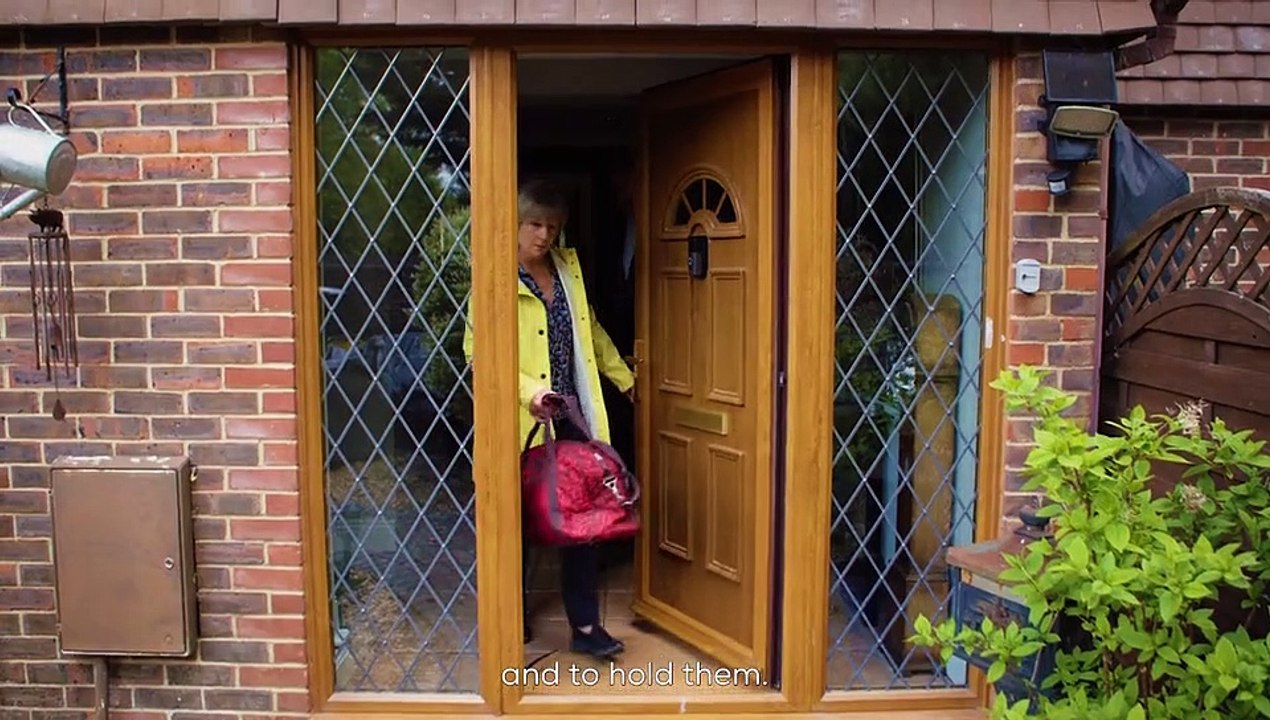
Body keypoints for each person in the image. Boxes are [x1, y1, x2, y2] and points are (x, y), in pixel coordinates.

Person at [464, 177, 635, 660]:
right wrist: (528, 392)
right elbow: (476, 351)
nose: (544, 235)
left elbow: (591, 331)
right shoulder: (494, 278)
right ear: (515, 224)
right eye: (535, 224)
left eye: (553, 226)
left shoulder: (566, 270)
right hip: (520, 423)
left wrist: (624, 379)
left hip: (573, 420)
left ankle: (585, 627)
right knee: (515, 523)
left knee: (582, 521)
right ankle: (508, 618)